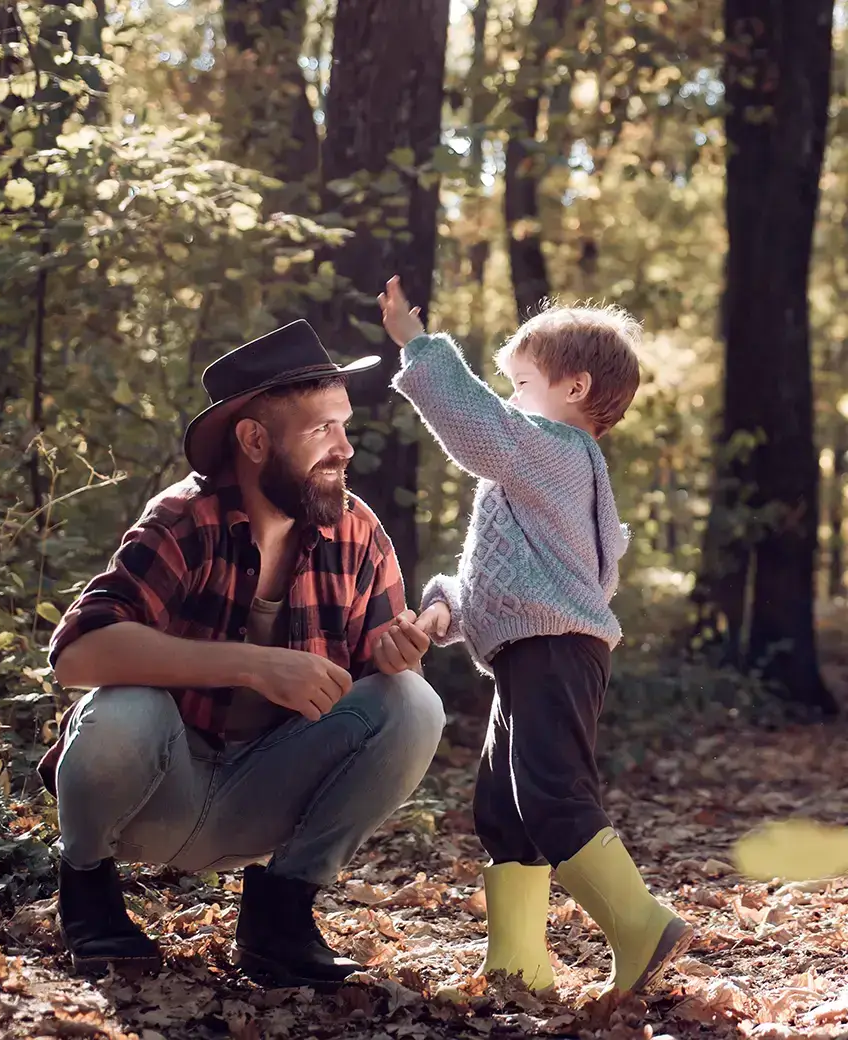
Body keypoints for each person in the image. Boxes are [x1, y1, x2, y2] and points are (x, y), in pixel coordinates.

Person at [38, 319, 446, 987]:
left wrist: (399, 656)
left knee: (412, 704)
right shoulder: (183, 519)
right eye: (322, 430)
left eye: (345, 427)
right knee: (122, 706)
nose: (345, 448)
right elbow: (77, 655)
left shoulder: (359, 530)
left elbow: (383, 693)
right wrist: (251, 663)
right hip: (157, 792)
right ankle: (88, 897)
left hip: (266, 792)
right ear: (254, 440)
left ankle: (279, 921)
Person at [379, 277, 692, 996]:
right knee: (502, 808)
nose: (511, 398)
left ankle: (641, 924)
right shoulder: (550, 471)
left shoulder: (552, 449)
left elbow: (477, 430)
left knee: (551, 794)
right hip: (534, 650)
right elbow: (512, 574)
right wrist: (443, 609)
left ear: (575, 387)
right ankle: (518, 967)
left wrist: (417, 347)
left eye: (521, 383)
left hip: (552, 652)